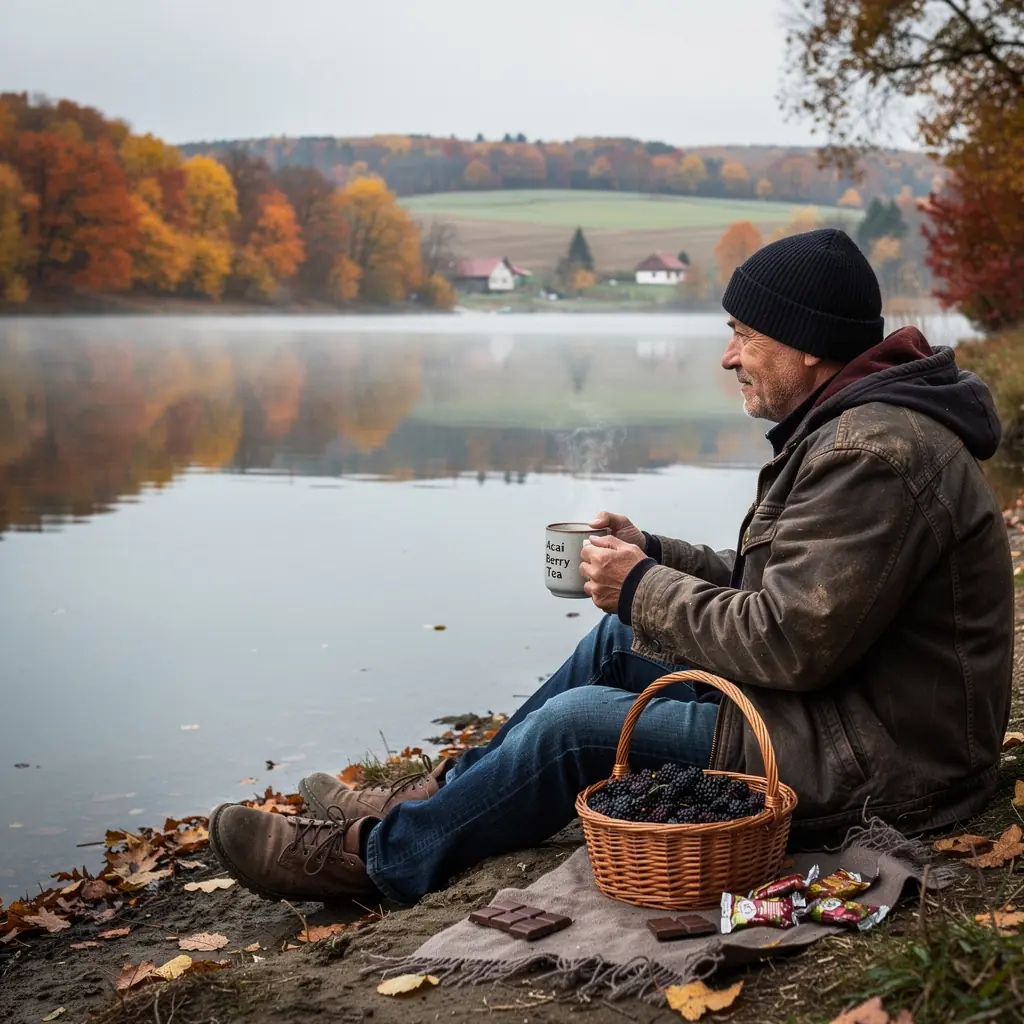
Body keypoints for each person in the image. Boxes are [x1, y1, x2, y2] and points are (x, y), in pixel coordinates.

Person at [209, 229, 1013, 905]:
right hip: (847, 708)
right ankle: (435, 797)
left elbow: (792, 641)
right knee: (614, 643)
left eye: (743, 335)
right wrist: (655, 558)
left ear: (805, 346)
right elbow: (793, 588)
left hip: (889, 759)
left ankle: (375, 862)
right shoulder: (857, 427)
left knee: (577, 727)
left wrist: (639, 584)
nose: (728, 358)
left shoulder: (871, 451)